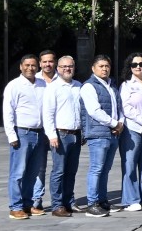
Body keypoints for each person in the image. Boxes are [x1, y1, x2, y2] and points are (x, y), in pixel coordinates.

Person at [80, 55, 124, 217]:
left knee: (105, 169)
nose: (105, 69)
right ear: (93, 68)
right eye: (101, 66)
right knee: (96, 169)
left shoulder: (112, 86)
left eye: (107, 66)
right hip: (98, 134)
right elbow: (94, 111)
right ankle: (92, 203)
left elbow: (119, 108)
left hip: (112, 134)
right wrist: (114, 123)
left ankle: (103, 200)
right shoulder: (89, 86)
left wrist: (120, 124)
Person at [4, 54, 47, 220]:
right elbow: (8, 112)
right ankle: (15, 207)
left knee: (32, 172)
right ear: (21, 67)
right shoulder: (14, 86)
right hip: (22, 133)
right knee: (18, 172)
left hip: (39, 132)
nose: (30, 68)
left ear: (38, 67)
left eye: (33, 65)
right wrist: (11, 135)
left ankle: (28, 204)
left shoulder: (42, 84)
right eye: (27, 65)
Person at [43, 55, 82, 217]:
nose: (67, 69)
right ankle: (57, 205)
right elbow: (48, 113)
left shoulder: (79, 86)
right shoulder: (53, 87)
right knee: (59, 171)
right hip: (61, 134)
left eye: (70, 66)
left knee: (72, 171)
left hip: (76, 134)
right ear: (58, 69)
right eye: (64, 66)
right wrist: (52, 135)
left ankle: (69, 201)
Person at [119, 53, 142, 212]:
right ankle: (132, 199)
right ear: (130, 67)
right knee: (130, 164)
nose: (138, 67)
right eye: (134, 65)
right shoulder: (126, 85)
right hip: (133, 128)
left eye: (141, 64)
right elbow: (126, 108)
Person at [33, 50, 57, 213]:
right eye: (45, 62)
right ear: (40, 64)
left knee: (60, 167)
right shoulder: (35, 80)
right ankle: (36, 199)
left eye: (50, 61)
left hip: (59, 130)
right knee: (39, 167)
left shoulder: (61, 78)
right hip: (40, 130)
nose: (48, 64)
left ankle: (60, 199)